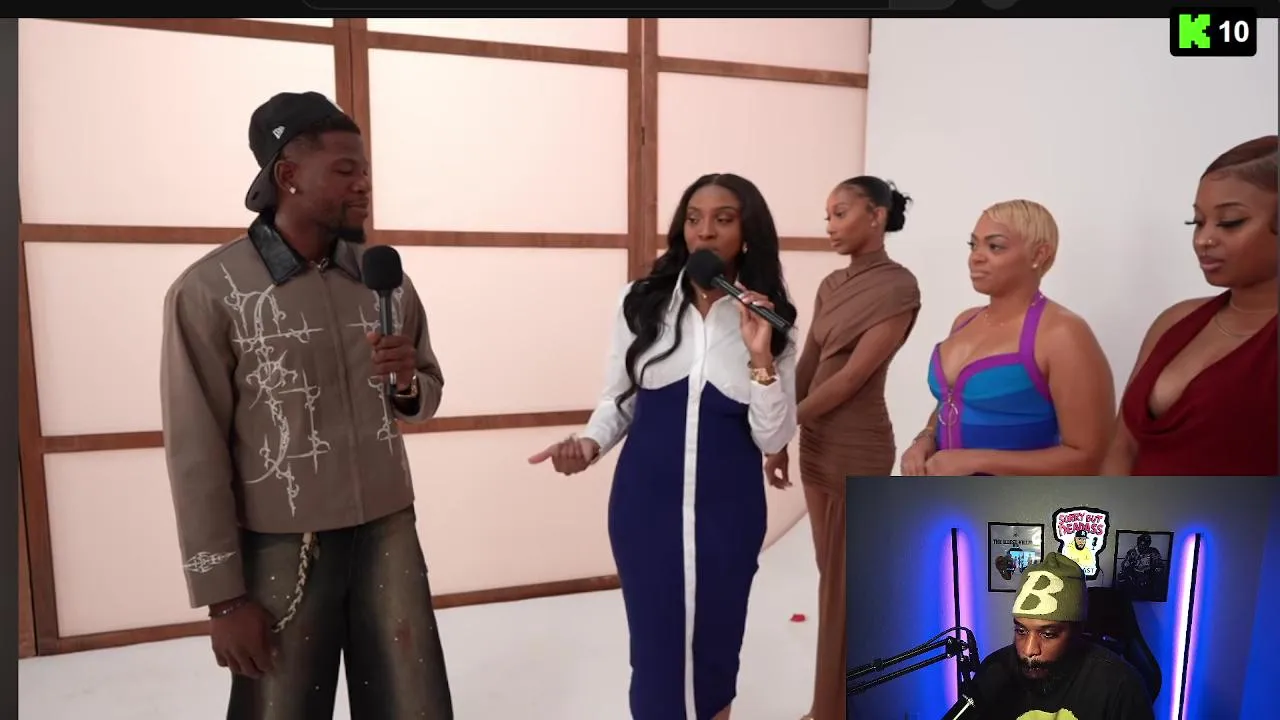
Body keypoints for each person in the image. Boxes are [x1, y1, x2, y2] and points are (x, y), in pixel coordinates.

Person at [159, 91, 453, 719]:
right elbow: (195, 452)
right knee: (281, 708)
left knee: (412, 705)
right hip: (280, 544)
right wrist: (223, 598)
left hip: (388, 528)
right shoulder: (211, 291)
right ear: (288, 175)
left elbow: (424, 393)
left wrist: (406, 383)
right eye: (345, 170)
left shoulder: (385, 279)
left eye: (365, 170)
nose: (364, 184)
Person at [528, 173, 799, 720]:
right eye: (694, 218)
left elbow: (772, 437)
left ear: (747, 233)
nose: (705, 231)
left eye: (723, 219)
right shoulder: (641, 303)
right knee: (656, 655)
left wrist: (760, 355)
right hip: (645, 509)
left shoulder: (771, 320)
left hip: (730, 512)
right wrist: (589, 444)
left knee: (716, 651)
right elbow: (618, 399)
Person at [763, 176, 921, 720]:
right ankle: (836, 704)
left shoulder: (899, 286)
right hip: (817, 445)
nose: (830, 226)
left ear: (876, 216)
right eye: (827, 215)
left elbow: (853, 377)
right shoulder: (832, 284)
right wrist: (781, 435)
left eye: (841, 213)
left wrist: (785, 423)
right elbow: (810, 362)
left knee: (847, 589)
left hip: (859, 446)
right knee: (832, 584)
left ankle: (835, 709)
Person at [1103, 135, 1278, 475]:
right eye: (1197, 222)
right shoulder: (1175, 321)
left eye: (1230, 222)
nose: (1203, 239)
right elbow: (1122, 445)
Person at [899, 200, 1114, 476]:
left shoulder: (1062, 333)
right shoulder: (964, 321)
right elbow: (952, 401)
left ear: (1039, 254)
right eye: (973, 245)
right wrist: (925, 439)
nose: (976, 257)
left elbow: (1088, 457)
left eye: (995, 246)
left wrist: (975, 461)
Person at [971, 552, 1154, 720]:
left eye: (1048, 634)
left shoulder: (1120, 686)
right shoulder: (994, 670)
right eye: (1021, 631)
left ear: (1078, 631)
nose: (1028, 650)